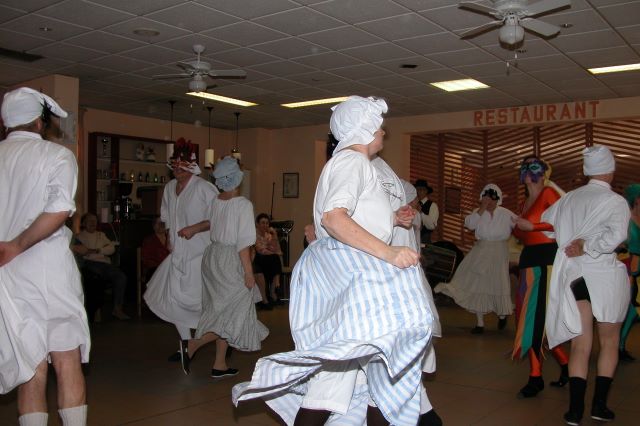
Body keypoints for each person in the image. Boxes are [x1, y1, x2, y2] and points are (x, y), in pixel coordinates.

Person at [233, 96, 435, 426]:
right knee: (371, 364)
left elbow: (352, 217)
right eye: (379, 127)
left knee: (358, 369)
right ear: (363, 128)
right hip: (357, 275)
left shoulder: (351, 163)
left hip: (354, 273)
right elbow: (333, 219)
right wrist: (389, 252)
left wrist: (392, 218)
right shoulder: (352, 162)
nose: (383, 132)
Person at [0, 87, 90, 425]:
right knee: (66, 361)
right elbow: (59, 209)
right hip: (48, 271)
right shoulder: (56, 155)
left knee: (30, 366)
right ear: (39, 122)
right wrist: (18, 243)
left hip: (7, 278)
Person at [542, 145, 630, 424]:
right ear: (611, 170)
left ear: (586, 171)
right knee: (609, 341)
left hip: (574, 276)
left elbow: (548, 223)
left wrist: (573, 239)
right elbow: (616, 237)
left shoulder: (569, 199)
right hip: (604, 275)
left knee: (580, 345)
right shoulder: (615, 201)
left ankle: (575, 411)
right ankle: (599, 406)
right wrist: (588, 244)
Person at [180, 157, 268, 378]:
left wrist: (193, 228)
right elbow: (243, 243)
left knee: (222, 310)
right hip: (230, 259)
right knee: (236, 310)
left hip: (213, 257)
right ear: (237, 178)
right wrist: (248, 273)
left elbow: (212, 223)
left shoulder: (217, 201)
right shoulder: (243, 205)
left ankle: (219, 364)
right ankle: (192, 345)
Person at [143, 138, 218, 369]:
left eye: (182, 166)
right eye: (174, 165)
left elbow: (219, 217)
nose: (177, 170)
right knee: (173, 299)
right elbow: (167, 216)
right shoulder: (169, 188)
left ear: (192, 166)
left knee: (201, 303)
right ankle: (186, 345)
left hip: (200, 254)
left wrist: (196, 228)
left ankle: (217, 340)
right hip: (177, 254)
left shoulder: (204, 188)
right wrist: (168, 236)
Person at [512, 156, 570, 398]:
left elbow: (565, 223)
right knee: (529, 318)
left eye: (533, 166)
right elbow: (521, 234)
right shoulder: (525, 202)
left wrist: (532, 227)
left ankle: (535, 376)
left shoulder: (548, 193)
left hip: (547, 259)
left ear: (544, 172)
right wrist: (518, 226)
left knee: (538, 318)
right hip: (529, 259)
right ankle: (566, 365)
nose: (528, 170)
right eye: (524, 166)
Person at [434, 184, 516, 334]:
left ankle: (502, 315)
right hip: (481, 250)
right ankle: (480, 323)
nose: (489, 202)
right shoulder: (477, 213)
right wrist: (482, 208)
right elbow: (469, 225)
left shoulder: (506, 213)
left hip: (499, 252)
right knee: (478, 284)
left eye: (492, 199)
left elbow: (520, 225)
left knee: (498, 283)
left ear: (498, 199)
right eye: (486, 199)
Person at [74, 213, 130, 320]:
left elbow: (111, 249)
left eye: (94, 221)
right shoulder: (79, 236)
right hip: (89, 264)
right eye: (90, 220)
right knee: (96, 279)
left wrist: (98, 250)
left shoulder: (101, 235)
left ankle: (117, 309)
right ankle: (95, 311)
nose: (93, 223)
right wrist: (101, 250)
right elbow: (83, 252)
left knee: (121, 277)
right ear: (84, 223)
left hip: (105, 264)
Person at [618, 184, 640, 361]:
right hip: (629, 270)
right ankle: (619, 346)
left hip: (637, 272)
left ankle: (620, 345)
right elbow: (619, 245)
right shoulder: (626, 221)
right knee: (629, 309)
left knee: (632, 310)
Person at [253, 213, 284, 305]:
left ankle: (274, 290)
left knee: (275, 258)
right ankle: (273, 291)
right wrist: (273, 252)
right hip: (257, 260)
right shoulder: (254, 235)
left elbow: (278, 250)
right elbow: (260, 250)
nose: (265, 225)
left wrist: (274, 235)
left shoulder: (269, 235)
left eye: (267, 223)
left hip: (267, 261)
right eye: (263, 223)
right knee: (275, 258)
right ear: (257, 224)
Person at [141, 216, 170, 282]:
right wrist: (161, 266)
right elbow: (146, 260)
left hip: (169, 268)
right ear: (154, 226)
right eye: (158, 223)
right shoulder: (149, 240)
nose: (161, 225)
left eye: (163, 223)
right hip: (155, 270)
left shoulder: (171, 238)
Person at [415, 179, 439, 244]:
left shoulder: (433, 205)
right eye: (417, 189)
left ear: (426, 191)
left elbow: (432, 226)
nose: (419, 192)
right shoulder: (412, 203)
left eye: (421, 189)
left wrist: (421, 213)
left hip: (425, 239)